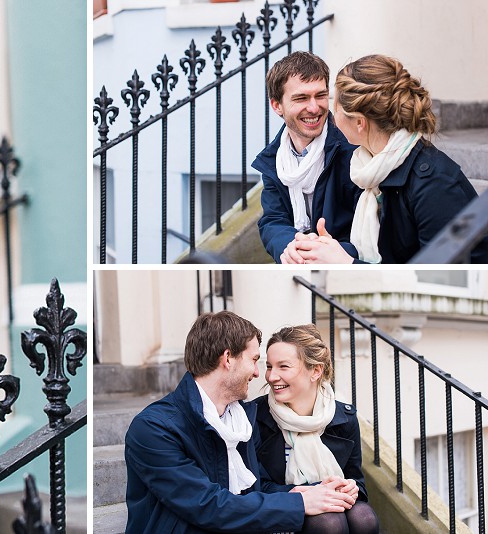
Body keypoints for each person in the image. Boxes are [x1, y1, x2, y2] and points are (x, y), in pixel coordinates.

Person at [125, 311, 356, 533]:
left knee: (345, 517)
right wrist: (299, 503)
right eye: (255, 360)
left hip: (237, 526)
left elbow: (258, 488)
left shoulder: (242, 418)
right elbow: (206, 505)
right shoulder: (154, 428)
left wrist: (322, 490)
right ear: (227, 359)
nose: (258, 374)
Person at [287, 54, 488, 263]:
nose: (331, 114)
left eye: (334, 106)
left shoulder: (436, 185)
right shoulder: (372, 168)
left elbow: (437, 282)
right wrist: (337, 251)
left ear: (359, 123)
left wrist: (347, 264)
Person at [255, 325, 380, 533]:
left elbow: (358, 484)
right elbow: (255, 487)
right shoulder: (257, 417)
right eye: (269, 366)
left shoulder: (344, 419)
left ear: (315, 371)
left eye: (283, 367)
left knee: (364, 517)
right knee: (329, 522)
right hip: (279, 513)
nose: (271, 376)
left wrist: (350, 488)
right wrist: (310, 494)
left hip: (332, 507)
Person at [254, 51, 360, 264]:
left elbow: (370, 229)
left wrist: (325, 251)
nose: (314, 108)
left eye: (320, 95)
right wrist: (291, 246)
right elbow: (272, 221)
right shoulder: (275, 160)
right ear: (277, 106)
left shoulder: (353, 149)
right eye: (301, 98)